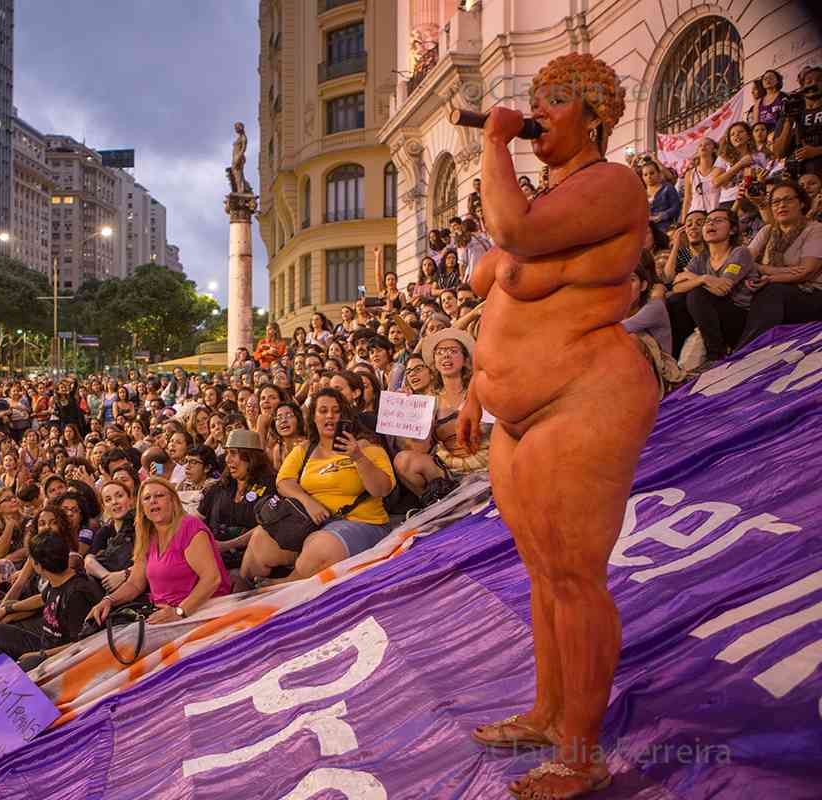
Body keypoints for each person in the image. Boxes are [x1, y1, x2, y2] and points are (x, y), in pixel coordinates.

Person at [466, 53, 659, 797]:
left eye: (553, 102)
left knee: (575, 576)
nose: (537, 113)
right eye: (534, 100)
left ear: (594, 115)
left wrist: (492, 144)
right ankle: (550, 713)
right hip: (515, 414)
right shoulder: (548, 198)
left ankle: (582, 753)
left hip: (587, 394)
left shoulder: (612, 185)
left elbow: (510, 227)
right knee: (542, 572)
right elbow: (495, 295)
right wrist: (474, 390)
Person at [241, 388, 395, 585]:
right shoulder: (304, 449)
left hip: (361, 523)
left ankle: (278, 588)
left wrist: (358, 457)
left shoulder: (367, 448)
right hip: (310, 522)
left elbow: (382, 489)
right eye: (323, 410)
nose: (330, 415)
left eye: (336, 410)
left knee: (320, 547)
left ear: (345, 416)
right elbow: (283, 481)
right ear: (313, 417)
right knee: (260, 539)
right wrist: (308, 501)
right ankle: (241, 591)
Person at [87, 477, 230, 627]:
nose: (153, 501)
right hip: (161, 615)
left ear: (173, 501)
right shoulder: (147, 535)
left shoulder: (190, 526)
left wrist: (180, 611)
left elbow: (212, 579)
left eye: (159, 496)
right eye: (147, 498)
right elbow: (135, 583)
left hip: (199, 611)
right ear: (142, 508)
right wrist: (108, 600)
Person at [0, 530, 102, 667]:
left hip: (60, 656)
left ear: (38, 566)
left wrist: (41, 655)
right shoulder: (58, 579)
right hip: (45, 641)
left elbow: (82, 643)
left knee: (26, 664)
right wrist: (7, 609)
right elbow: (41, 598)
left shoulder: (77, 594)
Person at [394, 330, 490, 498]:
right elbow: (421, 449)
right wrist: (410, 412)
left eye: (453, 351)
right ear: (434, 363)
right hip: (450, 472)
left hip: (492, 461)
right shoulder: (429, 401)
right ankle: (436, 501)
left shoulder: (483, 389)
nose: (446, 356)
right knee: (403, 460)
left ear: (466, 359)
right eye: (440, 352)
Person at [736, 179, 822, 345]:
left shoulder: (815, 229)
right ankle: (714, 353)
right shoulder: (767, 230)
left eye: (788, 200)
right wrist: (767, 270)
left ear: (802, 203)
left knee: (771, 290)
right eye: (775, 202)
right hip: (775, 290)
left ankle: (747, 351)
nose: (781, 205)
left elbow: (807, 271)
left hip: (812, 295)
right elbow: (743, 262)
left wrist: (768, 276)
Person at [671, 206, 756, 363]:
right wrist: (703, 278)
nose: (711, 224)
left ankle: (715, 356)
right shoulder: (700, 259)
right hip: (712, 317)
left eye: (718, 221)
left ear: (732, 230)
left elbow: (723, 289)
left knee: (696, 294)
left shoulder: (740, 252)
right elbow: (676, 286)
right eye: (708, 221)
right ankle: (675, 359)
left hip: (738, 317)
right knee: (675, 301)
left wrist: (691, 277)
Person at [199, 430, 277, 564]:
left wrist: (227, 545)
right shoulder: (218, 487)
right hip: (213, 559)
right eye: (227, 453)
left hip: (253, 560)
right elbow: (196, 520)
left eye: (233, 453)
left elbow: (266, 529)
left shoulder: (270, 486)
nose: (227, 459)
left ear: (251, 457)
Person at [640, 157, 681, 234]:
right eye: (645, 175)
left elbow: (676, 207)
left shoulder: (668, 188)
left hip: (666, 228)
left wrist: (663, 215)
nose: (649, 177)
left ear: (658, 173)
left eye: (652, 173)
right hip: (647, 231)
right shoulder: (641, 194)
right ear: (642, 177)